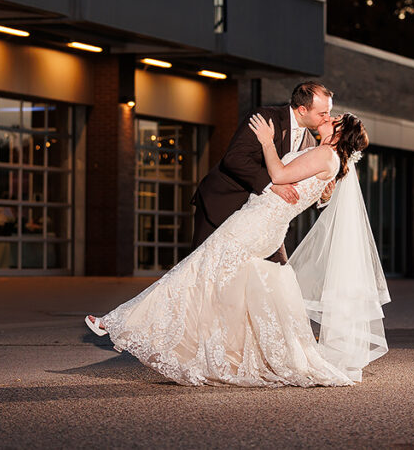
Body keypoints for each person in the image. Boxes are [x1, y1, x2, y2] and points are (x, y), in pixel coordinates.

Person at [85, 112, 388, 387]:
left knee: (196, 270)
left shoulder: (325, 154)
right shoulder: (328, 158)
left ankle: (120, 322)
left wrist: (268, 143)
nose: (328, 116)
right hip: (263, 224)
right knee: (228, 288)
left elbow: (280, 175)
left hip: (257, 223)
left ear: (338, 130)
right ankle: (229, 356)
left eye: (333, 117)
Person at [191, 81, 334, 264]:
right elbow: (234, 159)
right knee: (201, 270)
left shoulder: (310, 143)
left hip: (263, 221)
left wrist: (323, 197)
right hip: (223, 204)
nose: (327, 118)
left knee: (277, 273)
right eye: (322, 113)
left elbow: (301, 191)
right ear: (302, 110)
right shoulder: (265, 117)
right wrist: (272, 184)